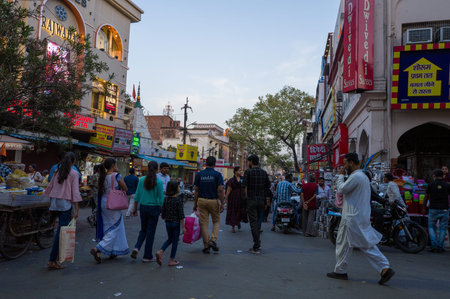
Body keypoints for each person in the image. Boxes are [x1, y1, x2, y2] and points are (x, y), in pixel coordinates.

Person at [327, 153, 395, 285]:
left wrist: (340, 176)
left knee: (364, 245)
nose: (344, 166)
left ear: (351, 163)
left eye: (345, 163)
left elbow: (341, 190)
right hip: (357, 216)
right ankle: (340, 270)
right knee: (344, 244)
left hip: (352, 218)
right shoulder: (361, 177)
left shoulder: (357, 177)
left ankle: (384, 268)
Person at [43, 152, 81, 270]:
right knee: (61, 233)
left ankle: (54, 258)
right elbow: (75, 192)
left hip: (55, 203)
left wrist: (50, 204)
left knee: (60, 231)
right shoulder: (74, 173)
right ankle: (52, 260)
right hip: (65, 204)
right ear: (73, 162)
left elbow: (50, 187)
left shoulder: (57, 171)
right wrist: (77, 209)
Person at [90, 158, 129, 264]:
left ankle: (112, 250)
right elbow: (125, 188)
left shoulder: (102, 176)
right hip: (113, 204)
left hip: (103, 203)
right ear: (113, 165)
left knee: (109, 226)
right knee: (114, 228)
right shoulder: (116, 176)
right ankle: (98, 248)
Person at [130, 161, 165, 262]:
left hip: (143, 208)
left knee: (143, 230)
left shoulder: (141, 180)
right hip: (154, 209)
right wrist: (163, 211)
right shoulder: (158, 182)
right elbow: (161, 199)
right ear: (157, 169)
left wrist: (135, 209)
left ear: (147, 168)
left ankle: (137, 247)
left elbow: (137, 196)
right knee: (151, 232)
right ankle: (147, 256)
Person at [193, 156, 224, 254]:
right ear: (215, 164)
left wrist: (195, 204)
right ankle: (213, 240)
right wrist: (222, 203)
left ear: (205, 163)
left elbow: (196, 191)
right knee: (216, 221)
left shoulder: (199, 174)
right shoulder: (218, 175)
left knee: (204, 223)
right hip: (213, 200)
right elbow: (220, 190)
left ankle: (206, 247)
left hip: (201, 200)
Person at [243, 154, 271, 254]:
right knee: (258, 221)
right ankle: (257, 243)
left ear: (251, 162)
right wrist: (267, 199)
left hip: (251, 200)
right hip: (261, 200)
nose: (248, 163)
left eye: (248, 161)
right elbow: (268, 186)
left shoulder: (248, 172)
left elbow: (244, 187)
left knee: (253, 223)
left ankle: (256, 245)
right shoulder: (264, 173)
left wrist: (245, 199)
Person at [156, 180, 186, 266]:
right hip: (176, 223)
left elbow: (163, 212)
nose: (180, 188)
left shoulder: (166, 199)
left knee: (170, 239)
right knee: (175, 241)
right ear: (175, 189)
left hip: (168, 223)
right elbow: (181, 215)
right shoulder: (178, 200)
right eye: (178, 186)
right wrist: (183, 227)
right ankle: (171, 260)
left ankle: (160, 251)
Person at [426, 169, 450, 253]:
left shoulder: (431, 185)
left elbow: (427, 196)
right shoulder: (447, 185)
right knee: (443, 228)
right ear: (442, 176)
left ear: (434, 176)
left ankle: (434, 245)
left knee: (431, 227)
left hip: (433, 208)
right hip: (444, 208)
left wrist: (424, 207)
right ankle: (440, 246)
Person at [225, 166, 247, 233]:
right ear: (235, 171)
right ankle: (233, 226)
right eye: (239, 170)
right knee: (233, 212)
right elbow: (228, 190)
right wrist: (225, 199)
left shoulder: (243, 179)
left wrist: (246, 196)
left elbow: (246, 188)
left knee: (241, 211)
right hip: (233, 198)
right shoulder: (231, 180)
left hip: (241, 198)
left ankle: (238, 222)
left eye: (241, 170)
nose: (240, 172)